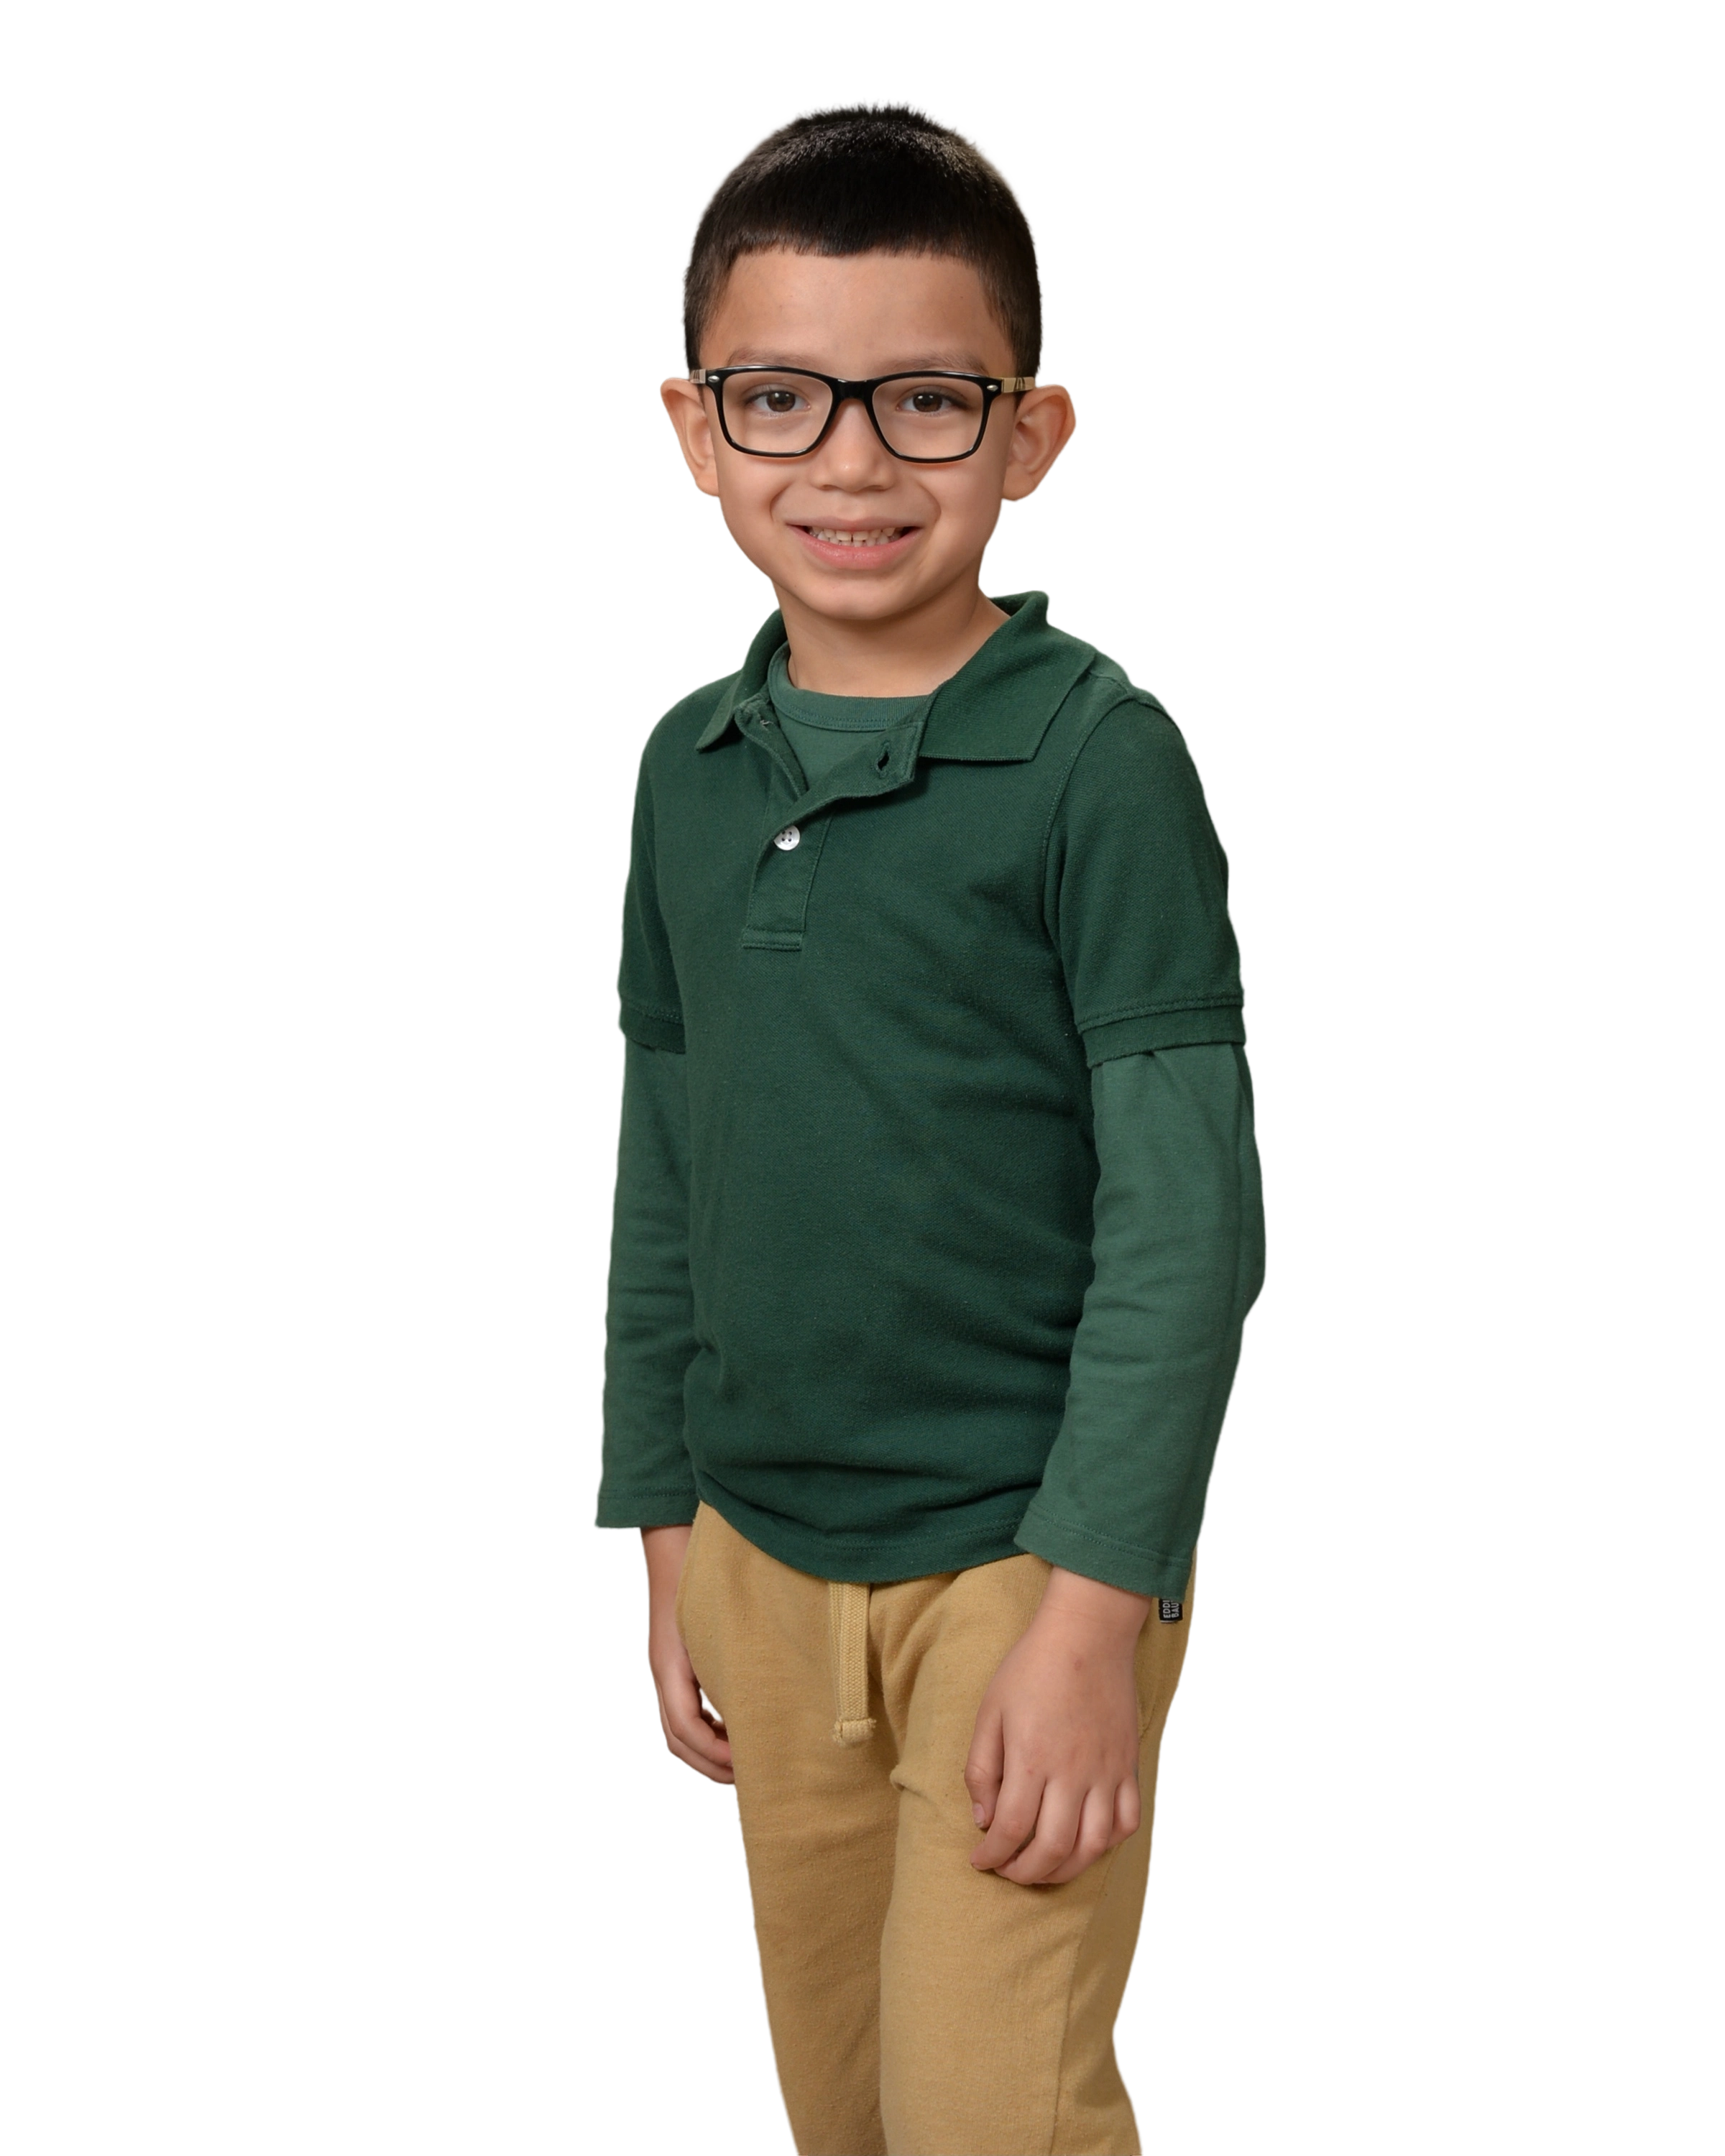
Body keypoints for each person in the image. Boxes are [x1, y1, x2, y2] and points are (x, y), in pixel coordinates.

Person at [592, 94, 1269, 2156]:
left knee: (997, 2113)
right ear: (696, 428)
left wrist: (1092, 1615)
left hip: (1019, 1568)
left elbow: (1190, 1225)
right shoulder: (688, 772)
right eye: (780, 397)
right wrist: (667, 1530)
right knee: (851, 2113)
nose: (853, 461)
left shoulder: (1100, 766)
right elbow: (669, 1163)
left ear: (1031, 432)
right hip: (763, 1559)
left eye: (927, 399)